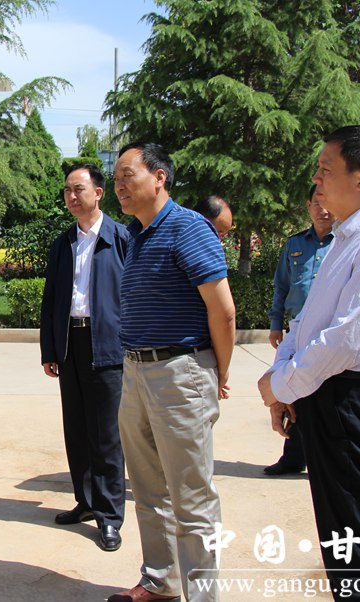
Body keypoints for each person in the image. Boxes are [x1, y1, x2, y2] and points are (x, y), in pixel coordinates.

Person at [258, 125, 360, 602]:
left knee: (357, 549)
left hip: (355, 400)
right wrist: (283, 379)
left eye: (326, 169)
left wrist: (282, 385)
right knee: (339, 540)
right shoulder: (348, 237)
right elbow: (309, 319)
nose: (317, 179)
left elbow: (348, 339)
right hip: (329, 393)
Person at [108, 142, 236, 602]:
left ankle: (202, 596)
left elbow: (222, 310)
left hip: (180, 372)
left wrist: (218, 372)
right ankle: (160, 581)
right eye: (116, 179)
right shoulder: (137, 233)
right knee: (148, 490)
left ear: (159, 177)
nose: (120, 186)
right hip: (136, 372)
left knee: (191, 497)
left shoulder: (188, 227)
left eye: (128, 175)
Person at [40, 163, 128, 552]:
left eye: (79, 189)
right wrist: (49, 349)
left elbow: (134, 296)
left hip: (107, 343)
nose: (72, 196)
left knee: (106, 434)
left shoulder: (121, 238)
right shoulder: (63, 242)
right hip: (70, 343)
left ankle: (110, 516)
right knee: (75, 428)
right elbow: (51, 299)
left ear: (98, 193)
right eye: (67, 190)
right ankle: (86, 501)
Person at [263, 185, 335, 476]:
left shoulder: (343, 244)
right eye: (317, 203)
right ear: (308, 206)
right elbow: (281, 286)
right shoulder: (295, 243)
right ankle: (293, 457)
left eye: (327, 203)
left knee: (327, 396)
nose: (323, 210)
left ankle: (327, 461)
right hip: (297, 331)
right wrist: (275, 324)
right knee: (293, 392)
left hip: (329, 332)